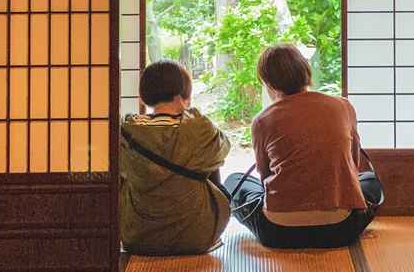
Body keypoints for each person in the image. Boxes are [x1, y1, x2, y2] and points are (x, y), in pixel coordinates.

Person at [224, 44, 383, 249]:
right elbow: (354, 164)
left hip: (278, 232)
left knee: (234, 181)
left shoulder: (263, 120)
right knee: (370, 180)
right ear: (305, 71)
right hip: (342, 229)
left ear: (268, 82)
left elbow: (264, 177)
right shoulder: (343, 106)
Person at [120, 60, 231, 255]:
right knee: (208, 158)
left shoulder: (127, 129)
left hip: (138, 235)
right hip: (197, 235)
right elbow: (223, 148)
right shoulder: (198, 127)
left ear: (144, 94)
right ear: (183, 92)